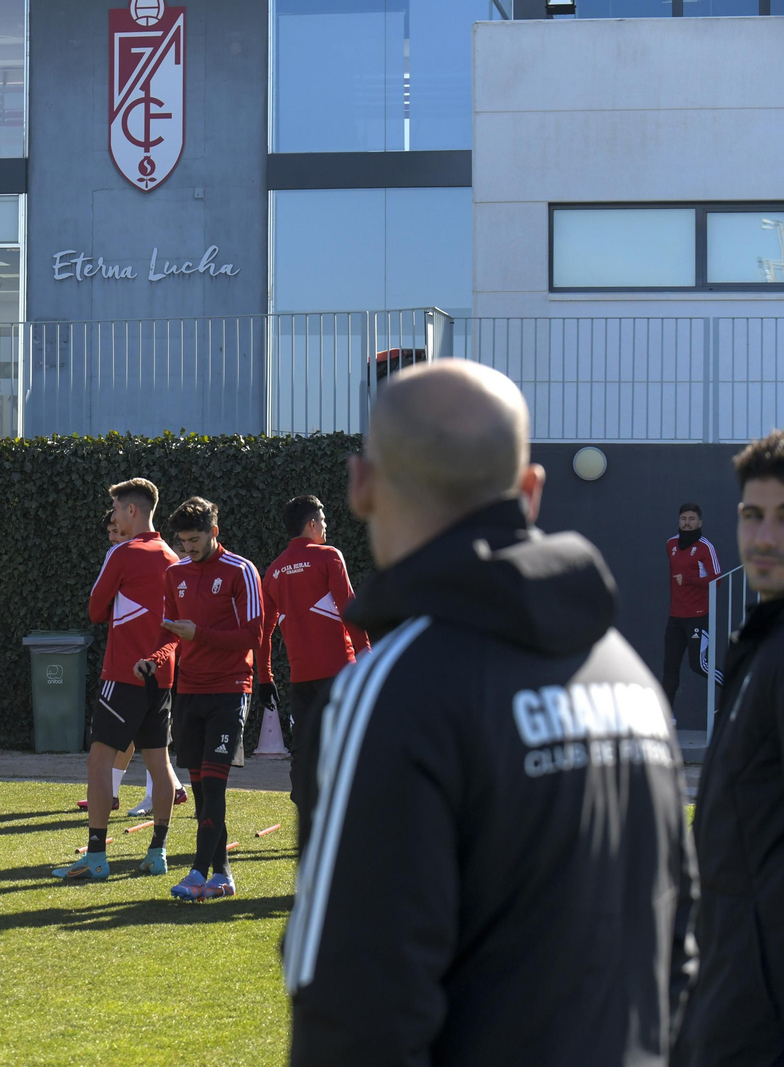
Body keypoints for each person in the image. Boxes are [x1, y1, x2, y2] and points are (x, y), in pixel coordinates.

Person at [285, 361, 695, 1066]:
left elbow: (354, 1009)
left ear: (361, 483)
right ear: (531, 489)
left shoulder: (389, 690)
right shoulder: (630, 676)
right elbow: (679, 953)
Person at [676, 429, 784, 1066]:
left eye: (783, 520)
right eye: (753, 516)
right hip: (729, 993)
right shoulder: (761, 643)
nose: (765, 538)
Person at [55, 478, 178, 881]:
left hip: (123, 672)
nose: (111, 517)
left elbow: (94, 609)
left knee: (99, 761)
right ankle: (157, 852)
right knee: (159, 764)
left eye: (115, 509)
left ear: (132, 511)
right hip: (162, 674)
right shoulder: (174, 557)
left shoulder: (122, 553)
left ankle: (95, 857)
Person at [143, 496, 264, 900]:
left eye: (194, 540)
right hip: (189, 691)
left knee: (213, 786)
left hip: (230, 689)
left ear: (214, 532)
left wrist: (201, 635)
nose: (187, 548)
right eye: (182, 541)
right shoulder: (174, 573)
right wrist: (155, 658)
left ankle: (196, 872)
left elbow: (253, 636)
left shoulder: (241, 571)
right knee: (200, 790)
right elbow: (169, 632)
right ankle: (223, 875)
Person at [261, 494, 370, 856]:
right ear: (311, 525)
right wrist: (368, 658)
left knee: (306, 753)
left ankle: (314, 820)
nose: (326, 527)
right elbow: (351, 611)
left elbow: (262, 633)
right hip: (342, 673)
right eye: (322, 521)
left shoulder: (274, 570)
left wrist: (264, 676)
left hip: (301, 679)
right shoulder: (328, 556)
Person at [664, 502, 724, 706]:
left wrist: (689, 580)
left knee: (699, 665)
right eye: (683, 519)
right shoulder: (671, 544)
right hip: (676, 616)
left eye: (691, 519)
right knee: (670, 666)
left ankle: (733, 687)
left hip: (698, 615)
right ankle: (667, 718)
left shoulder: (705, 547)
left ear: (699, 522)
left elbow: (718, 580)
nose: (687, 523)